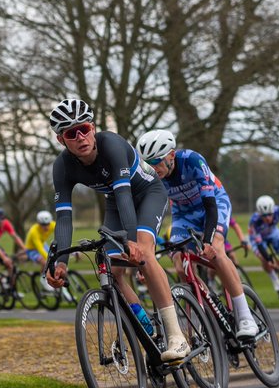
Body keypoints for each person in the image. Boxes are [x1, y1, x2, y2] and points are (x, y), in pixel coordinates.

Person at [44, 99, 189, 361]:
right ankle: (146, 328)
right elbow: (64, 218)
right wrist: (60, 261)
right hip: (116, 201)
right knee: (113, 269)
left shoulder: (111, 144)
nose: (80, 137)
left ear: (93, 127)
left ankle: (176, 336)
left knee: (142, 253)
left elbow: (125, 196)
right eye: (70, 133)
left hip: (146, 193)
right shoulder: (62, 167)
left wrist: (131, 241)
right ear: (60, 140)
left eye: (84, 128)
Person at [137, 129, 260, 341]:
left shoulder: (192, 160)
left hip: (212, 204)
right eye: (148, 163)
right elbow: (149, 217)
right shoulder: (150, 176)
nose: (153, 168)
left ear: (171, 155)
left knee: (217, 252)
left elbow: (211, 206)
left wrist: (209, 239)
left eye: (157, 161)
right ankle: (209, 307)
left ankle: (245, 316)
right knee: (179, 264)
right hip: (183, 215)